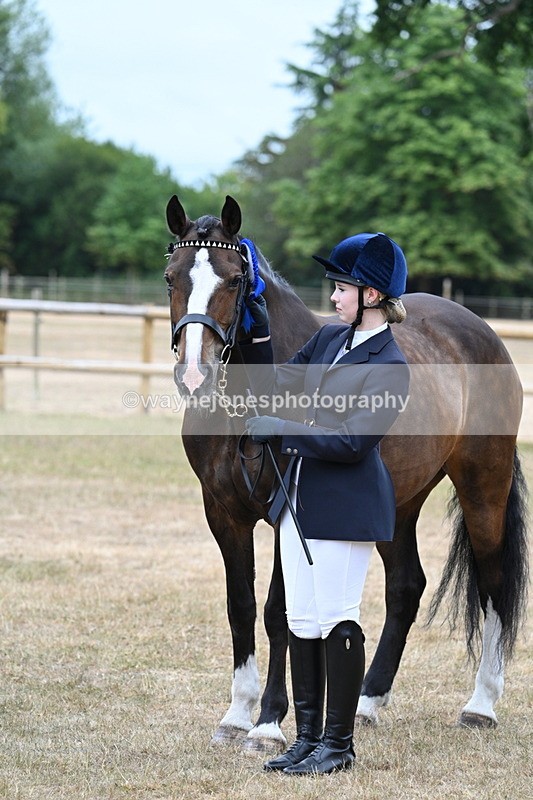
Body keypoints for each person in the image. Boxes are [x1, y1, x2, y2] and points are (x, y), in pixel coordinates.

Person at [239, 232, 410, 776]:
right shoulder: (332, 341)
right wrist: (258, 328)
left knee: (337, 619)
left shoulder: (390, 366)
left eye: (343, 288)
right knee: (302, 619)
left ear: (375, 296)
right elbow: (279, 383)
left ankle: (339, 745)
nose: (334, 297)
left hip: (345, 506)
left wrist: (285, 430)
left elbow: (353, 442)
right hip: (298, 501)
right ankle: (307, 739)